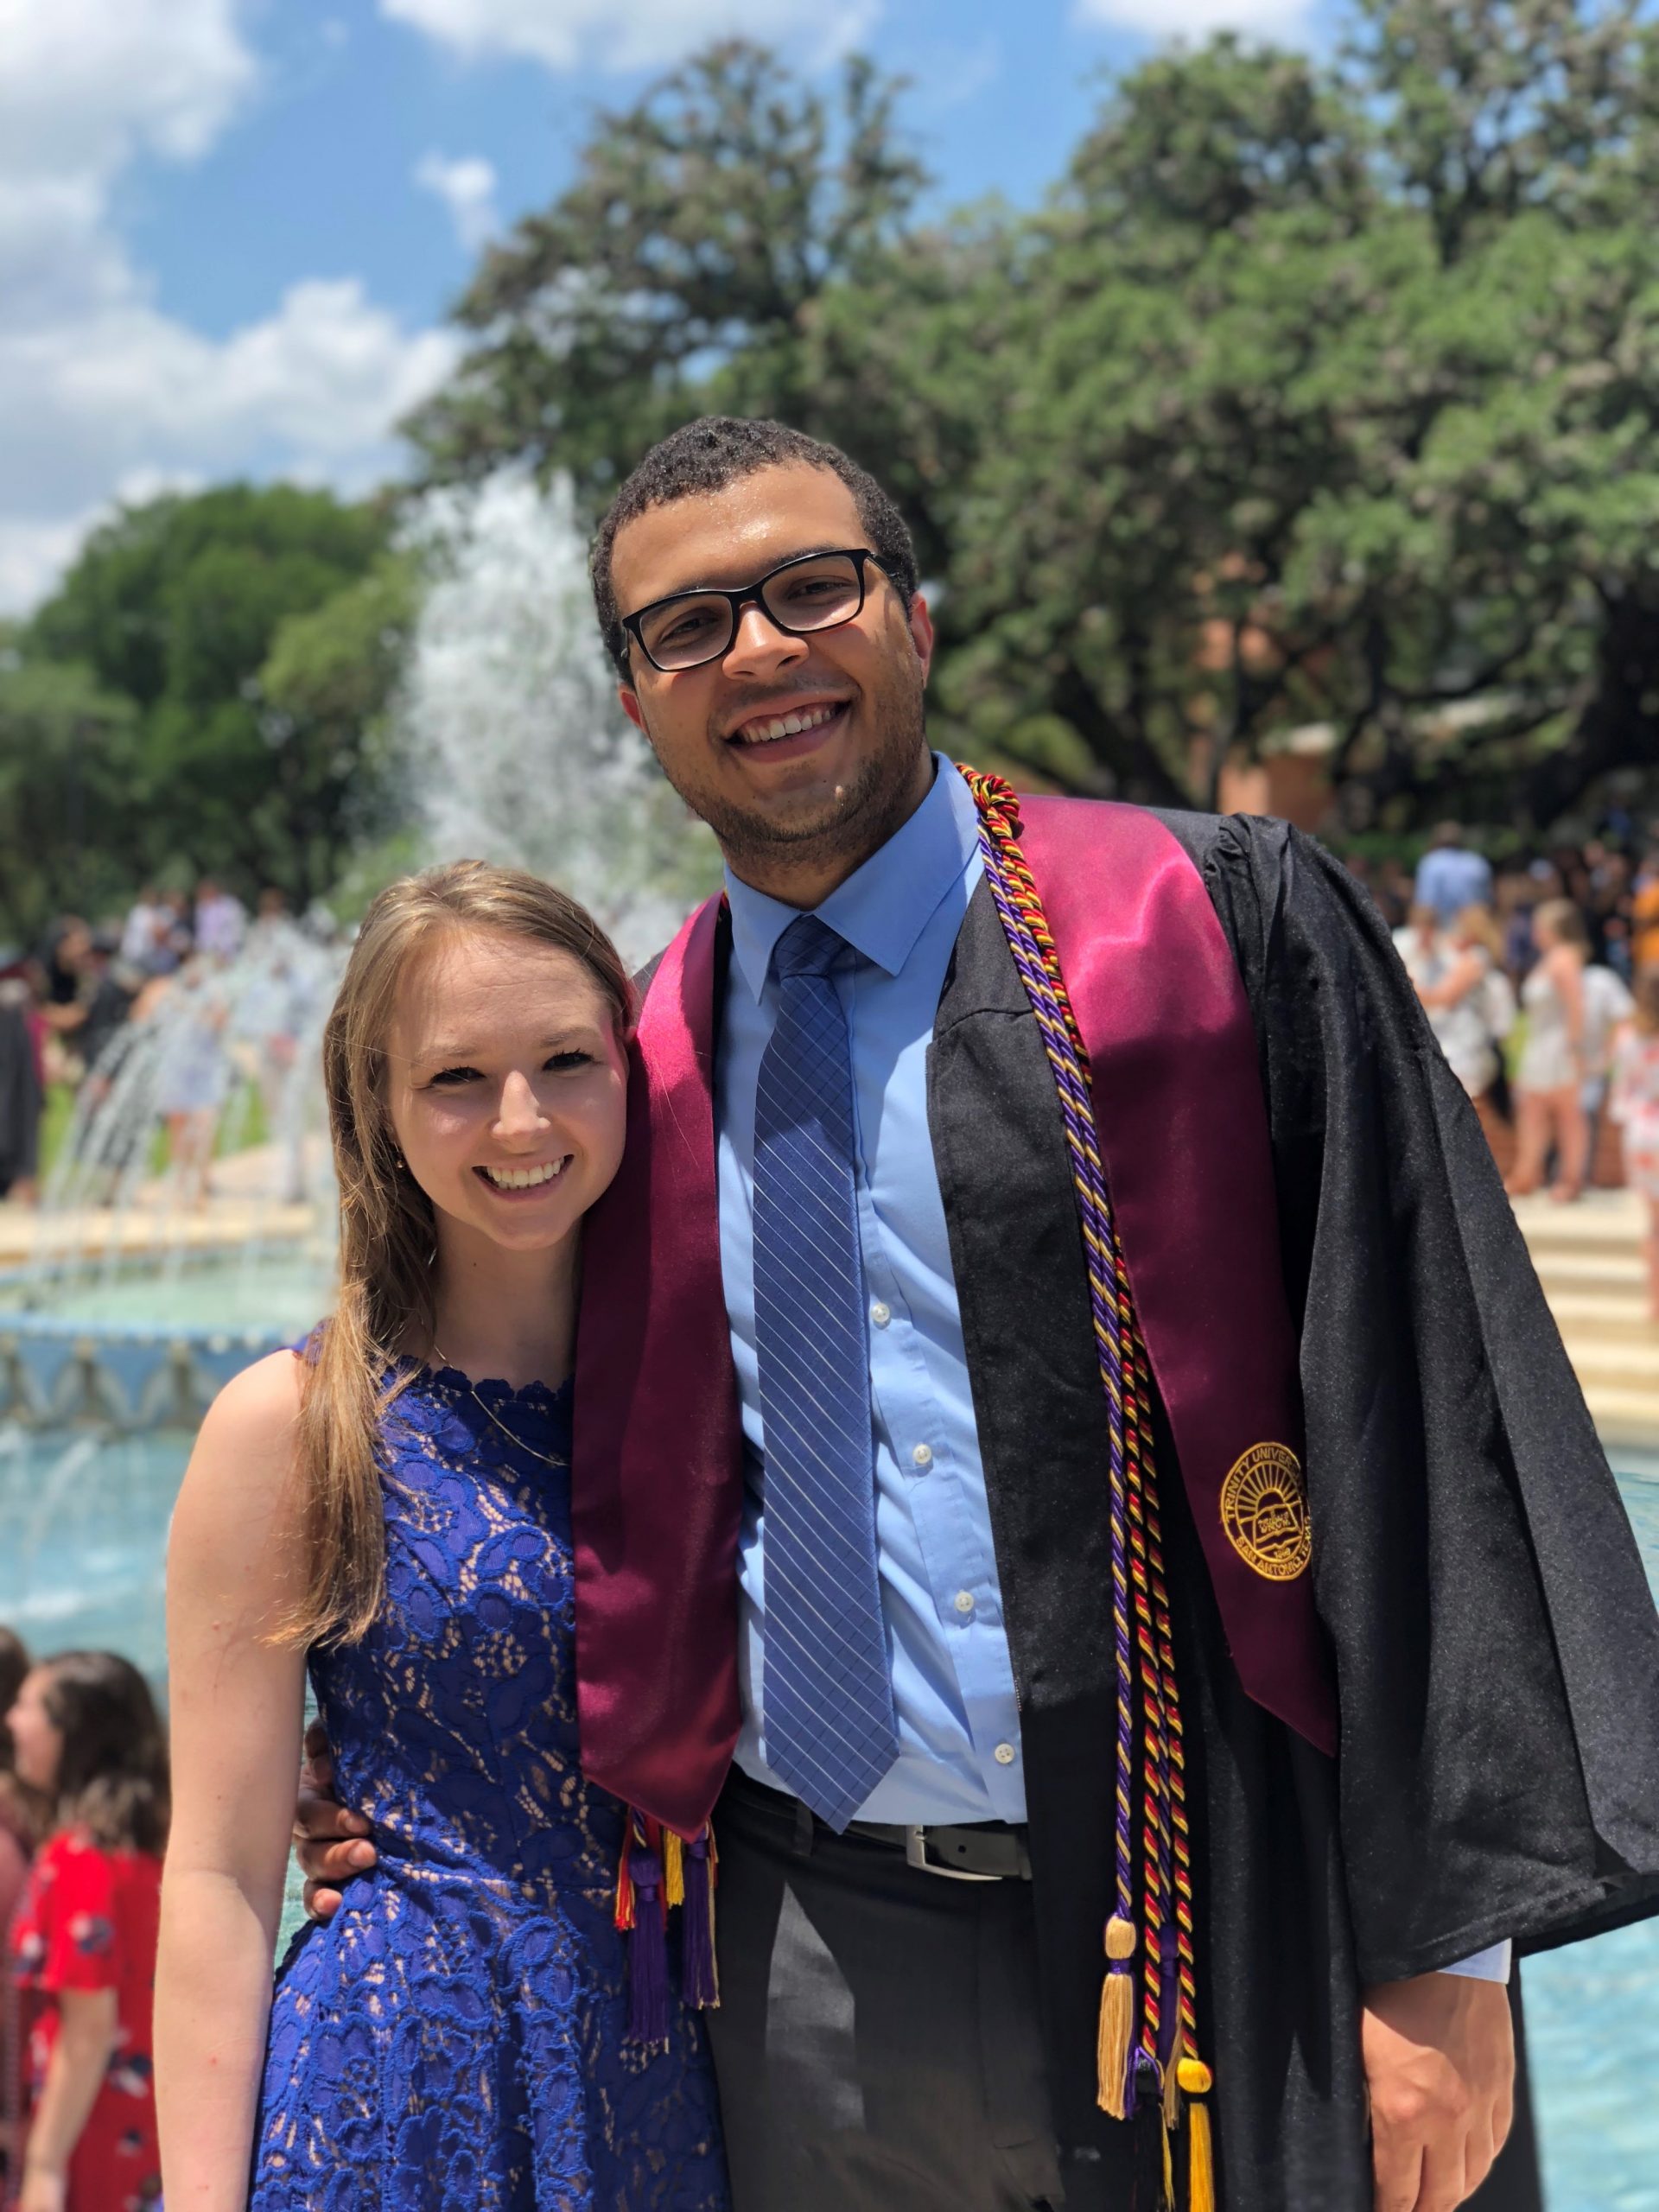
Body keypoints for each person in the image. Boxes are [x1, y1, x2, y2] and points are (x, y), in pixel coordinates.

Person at [298, 419, 1659, 2212]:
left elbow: (1427, 1412)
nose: (763, 651)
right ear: (634, 700)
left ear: (915, 619)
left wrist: (1455, 1949)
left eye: (813, 586)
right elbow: (513, 1444)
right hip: (805, 1970)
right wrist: (389, 1785)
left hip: (1223, 1905)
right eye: (687, 625)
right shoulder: (632, 1066)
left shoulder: (1209, 927)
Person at [155, 865, 728, 2212]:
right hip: (401, 2086)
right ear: (379, 1106)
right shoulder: (292, 1427)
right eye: (457, 1079)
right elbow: (220, 1874)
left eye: (567, 1060)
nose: (520, 1119)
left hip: (677, 2079)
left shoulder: (721, 1389)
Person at [5, 1651, 167, 2212]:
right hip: (148, 2131)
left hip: (90, 2139)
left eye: (27, 1706)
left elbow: (87, 2032)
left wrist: (45, 2170)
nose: (11, 1721)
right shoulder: (147, 1844)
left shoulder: (78, 1858)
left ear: (69, 1734)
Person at [1509, 897, 1592, 1202]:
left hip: (1558, 1046)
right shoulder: (1549, 958)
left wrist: (1574, 1048)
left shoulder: (1565, 958)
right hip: (1539, 1043)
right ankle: (1527, 1172)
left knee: (1567, 1114)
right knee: (1531, 1110)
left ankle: (1571, 1179)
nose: (1535, 932)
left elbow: (1576, 1007)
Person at [1611, 970, 1659, 1317]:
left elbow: (1622, 1094)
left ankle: (1654, 1300)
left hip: (1641, 1133)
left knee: (1654, 1222)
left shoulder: (1628, 1036)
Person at [1413, 823, 1493, 926]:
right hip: (1475, 930)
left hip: (1442, 929)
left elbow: (1425, 907)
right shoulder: (1478, 863)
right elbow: (1486, 904)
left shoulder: (1431, 862)